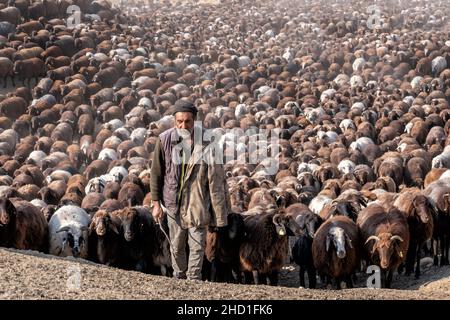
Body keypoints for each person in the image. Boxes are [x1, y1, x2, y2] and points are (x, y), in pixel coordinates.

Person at [150, 100, 231, 280]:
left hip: (198, 201)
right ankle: (179, 275)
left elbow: (217, 180)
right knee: (177, 244)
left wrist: (220, 212)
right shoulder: (164, 140)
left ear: (194, 121)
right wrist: (156, 203)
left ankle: (194, 279)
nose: (183, 125)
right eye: (179, 121)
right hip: (173, 202)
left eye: (187, 121)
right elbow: (156, 173)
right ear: (174, 121)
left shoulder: (208, 141)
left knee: (197, 245)